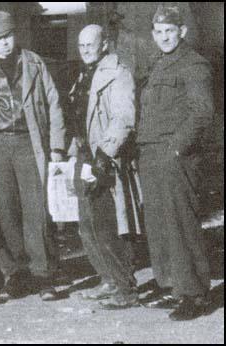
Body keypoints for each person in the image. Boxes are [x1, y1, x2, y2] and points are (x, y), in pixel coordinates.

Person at [0, 11, 66, 301]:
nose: (4, 43)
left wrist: (57, 147)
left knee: (36, 209)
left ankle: (44, 275)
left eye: (8, 36)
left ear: (16, 34)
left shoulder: (34, 63)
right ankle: (14, 273)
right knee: (4, 211)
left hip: (29, 142)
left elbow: (54, 103)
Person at [138, 5, 213, 321]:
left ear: (181, 31)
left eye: (170, 30)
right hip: (151, 154)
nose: (164, 36)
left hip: (174, 156)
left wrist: (175, 149)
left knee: (181, 224)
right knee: (158, 225)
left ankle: (194, 294)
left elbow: (202, 112)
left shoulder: (193, 65)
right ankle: (171, 284)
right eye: (159, 31)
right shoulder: (158, 63)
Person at [67, 24, 143, 309]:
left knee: (107, 224)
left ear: (104, 44)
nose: (85, 49)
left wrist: (104, 154)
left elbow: (124, 117)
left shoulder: (118, 73)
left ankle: (126, 287)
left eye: (90, 44)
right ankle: (108, 279)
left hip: (104, 158)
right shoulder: (84, 73)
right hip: (84, 155)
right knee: (87, 225)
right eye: (81, 45)